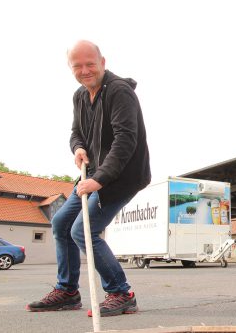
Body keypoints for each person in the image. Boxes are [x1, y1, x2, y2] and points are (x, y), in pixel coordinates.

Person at [26, 40, 151, 317]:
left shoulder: (120, 92)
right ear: (70, 68)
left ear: (102, 62)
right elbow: (76, 133)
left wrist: (100, 180)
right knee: (60, 223)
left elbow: (125, 141)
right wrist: (78, 148)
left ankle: (121, 293)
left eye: (90, 64)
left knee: (83, 230)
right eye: (77, 66)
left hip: (123, 176)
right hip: (93, 174)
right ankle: (68, 292)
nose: (84, 70)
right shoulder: (80, 96)